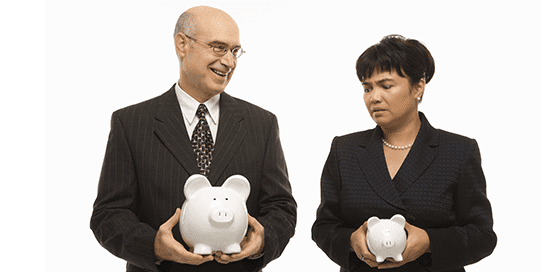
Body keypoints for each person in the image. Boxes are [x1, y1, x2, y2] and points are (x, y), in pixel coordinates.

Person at [90, 6, 297, 272]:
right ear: (182, 44)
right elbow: (108, 215)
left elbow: (281, 207)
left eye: (235, 51)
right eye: (219, 48)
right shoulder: (131, 122)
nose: (230, 62)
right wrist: (153, 245)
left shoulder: (262, 123)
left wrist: (262, 241)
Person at [311, 34, 496, 272]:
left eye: (386, 86)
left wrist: (430, 242)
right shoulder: (344, 149)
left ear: (418, 87)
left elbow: (482, 235)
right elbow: (324, 227)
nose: (374, 97)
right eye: (367, 88)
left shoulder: (457, 151)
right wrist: (351, 241)